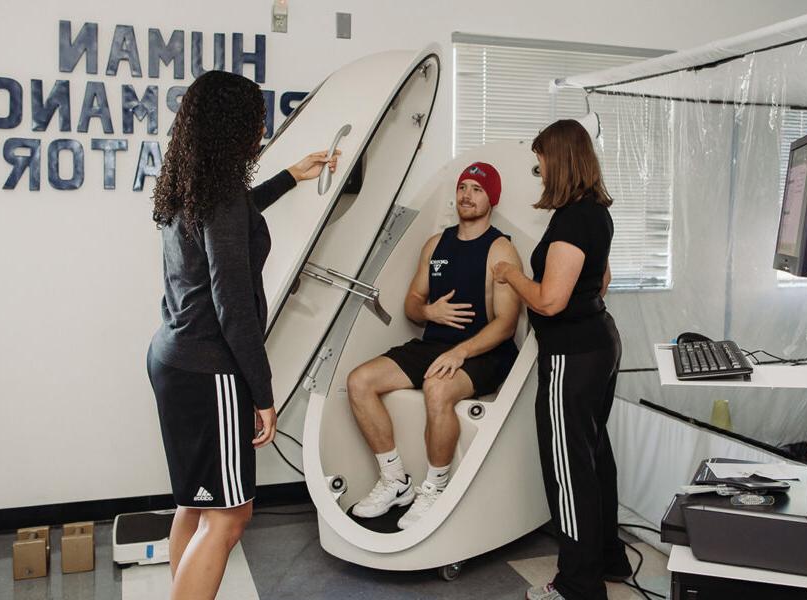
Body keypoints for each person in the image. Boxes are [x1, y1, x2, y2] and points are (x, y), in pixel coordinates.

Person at [146, 70, 337, 600]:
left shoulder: (191, 185)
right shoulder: (222, 195)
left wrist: (289, 177)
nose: (261, 129)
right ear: (235, 126)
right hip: (210, 368)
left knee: (196, 502)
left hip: (173, 357)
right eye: (256, 119)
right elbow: (235, 309)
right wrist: (263, 394)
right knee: (229, 519)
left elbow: (234, 220)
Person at [492, 119, 627, 600]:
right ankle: (609, 559)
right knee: (593, 456)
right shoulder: (596, 213)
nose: (539, 168)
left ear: (561, 160)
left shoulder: (573, 220)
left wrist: (510, 274)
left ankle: (578, 586)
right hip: (599, 342)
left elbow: (549, 301)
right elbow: (602, 280)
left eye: (541, 159)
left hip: (572, 355)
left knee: (568, 470)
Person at [346, 162, 522, 529]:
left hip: (486, 351)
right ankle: (395, 480)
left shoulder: (500, 249)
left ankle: (435, 490)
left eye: (477, 188)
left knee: (437, 387)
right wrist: (430, 310)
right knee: (359, 381)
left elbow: (506, 325)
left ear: (492, 197)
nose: (467, 195)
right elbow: (412, 304)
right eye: (463, 187)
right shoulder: (436, 244)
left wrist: (460, 352)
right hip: (435, 344)